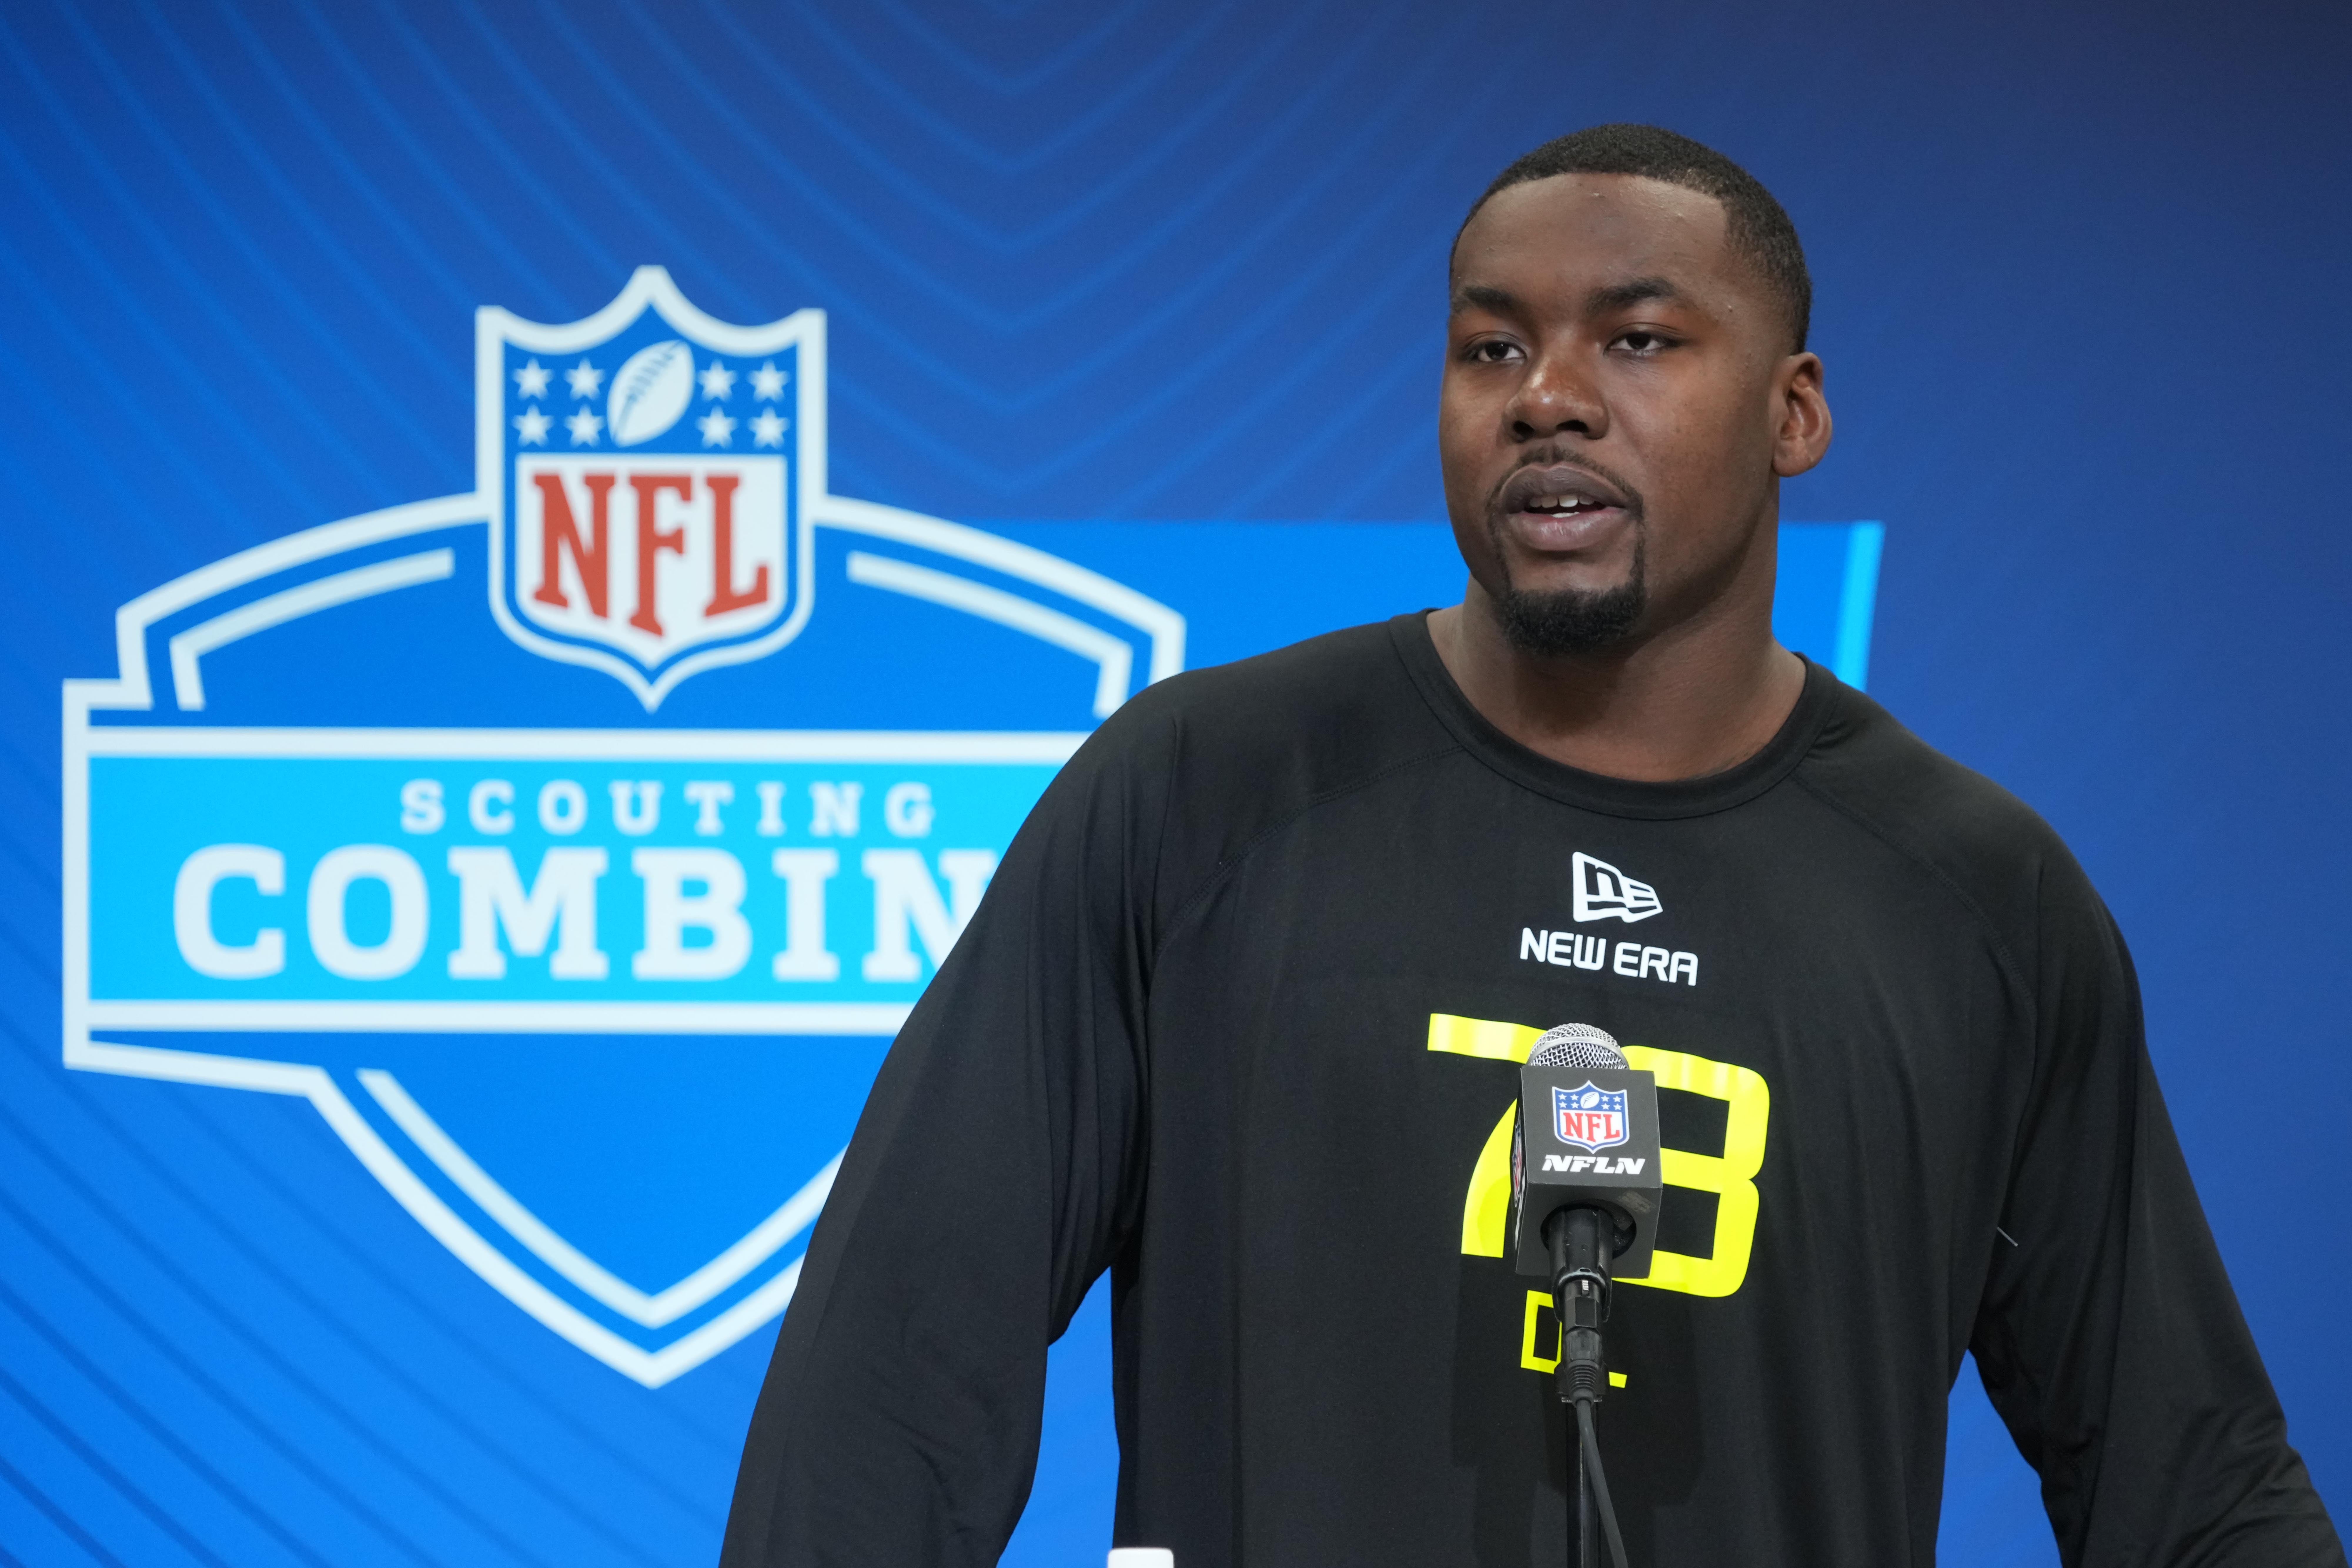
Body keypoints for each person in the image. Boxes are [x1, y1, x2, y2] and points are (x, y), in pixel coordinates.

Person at [721, 124, 2343, 1567]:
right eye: (1489, 348)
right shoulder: (1199, 794)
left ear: (1793, 413)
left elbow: (2184, 1481)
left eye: (1636, 338)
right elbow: (890, 1391)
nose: (1547, 397)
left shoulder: (1979, 899)